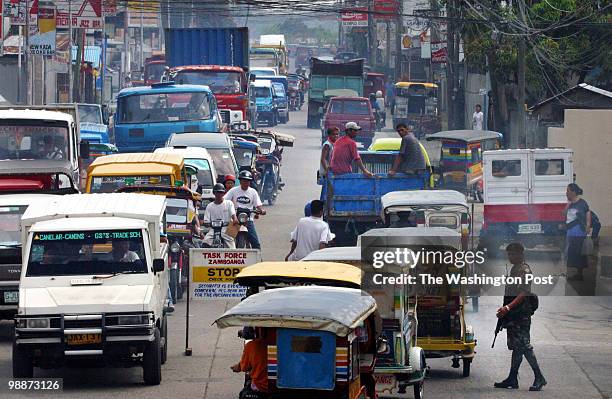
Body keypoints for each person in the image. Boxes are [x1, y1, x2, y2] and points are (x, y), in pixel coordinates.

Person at [494, 243, 546, 391]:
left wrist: (508, 307)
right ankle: (512, 378)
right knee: (517, 347)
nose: (511, 257)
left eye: (513, 254)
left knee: (524, 346)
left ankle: (539, 377)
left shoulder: (524, 270)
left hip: (521, 315)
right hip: (513, 315)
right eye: (509, 254)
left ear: (521, 254)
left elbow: (523, 292)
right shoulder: (515, 269)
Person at [224, 170, 266, 249]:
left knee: (256, 243)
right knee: (227, 240)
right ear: (240, 181)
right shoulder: (233, 190)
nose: (246, 183)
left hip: (248, 220)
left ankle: (259, 259)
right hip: (235, 219)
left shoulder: (253, 192)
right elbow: (224, 200)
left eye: (248, 181)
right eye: (244, 181)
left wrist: (261, 210)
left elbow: (258, 205)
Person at [563, 183, 591, 281]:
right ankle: (576, 273)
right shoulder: (570, 203)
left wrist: (588, 225)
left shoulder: (582, 203)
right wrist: (568, 205)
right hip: (570, 231)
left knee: (578, 252)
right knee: (572, 252)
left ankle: (579, 274)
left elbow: (588, 213)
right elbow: (563, 214)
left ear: (573, 192)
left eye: (568, 191)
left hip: (578, 231)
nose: (566, 193)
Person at [231, 328, 268, 395]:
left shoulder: (252, 345)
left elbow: (245, 367)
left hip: (261, 385)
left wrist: (238, 367)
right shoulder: (283, 344)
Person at [203, 183, 238, 248]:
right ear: (214, 193)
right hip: (213, 230)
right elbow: (206, 220)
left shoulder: (228, 203)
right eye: (217, 192)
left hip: (226, 229)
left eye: (221, 192)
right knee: (205, 241)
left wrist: (235, 219)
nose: (219, 194)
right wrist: (206, 223)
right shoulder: (210, 206)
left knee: (232, 248)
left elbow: (233, 214)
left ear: (224, 193)